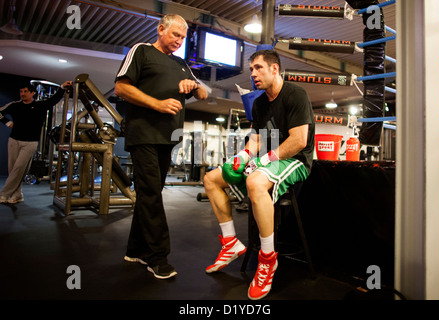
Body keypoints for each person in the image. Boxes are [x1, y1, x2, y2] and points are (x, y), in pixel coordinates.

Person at [203, 50, 315, 300]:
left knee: (254, 180)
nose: (252, 74)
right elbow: (256, 139)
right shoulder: (259, 102)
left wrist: (262, 160)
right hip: (270, 160)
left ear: (274, 69)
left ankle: (267, 259)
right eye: (251, 69)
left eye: (258, 68)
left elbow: (298, 141)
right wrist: (243, 157)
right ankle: (230, 242)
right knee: (211, 179)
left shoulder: (296, 94)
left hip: (296, 161)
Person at [114, 14, 207, 280]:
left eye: (183, 37)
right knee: (152, 194)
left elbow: (203, 94)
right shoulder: (141, 51)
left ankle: (136, 249)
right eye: (175, 34)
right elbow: (121, 87)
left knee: (149, 193)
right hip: (143, 134)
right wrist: (157, 103)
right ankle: (157, 257)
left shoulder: (180, 63)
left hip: (168, 138)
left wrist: (195, 85)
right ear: (161, 29)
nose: (179, 41)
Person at [0, 81, 72, 204]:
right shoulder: (15, 105)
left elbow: (53, 100)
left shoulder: (39, 105)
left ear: (32, 93)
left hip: (30, 142)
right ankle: (17, 195)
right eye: (21, 92)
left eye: (25, 92)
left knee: (19, 168)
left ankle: (4, 194)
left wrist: (62, 87)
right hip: (14, 140)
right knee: (13, 169)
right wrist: (7, 123)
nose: (22, 94)